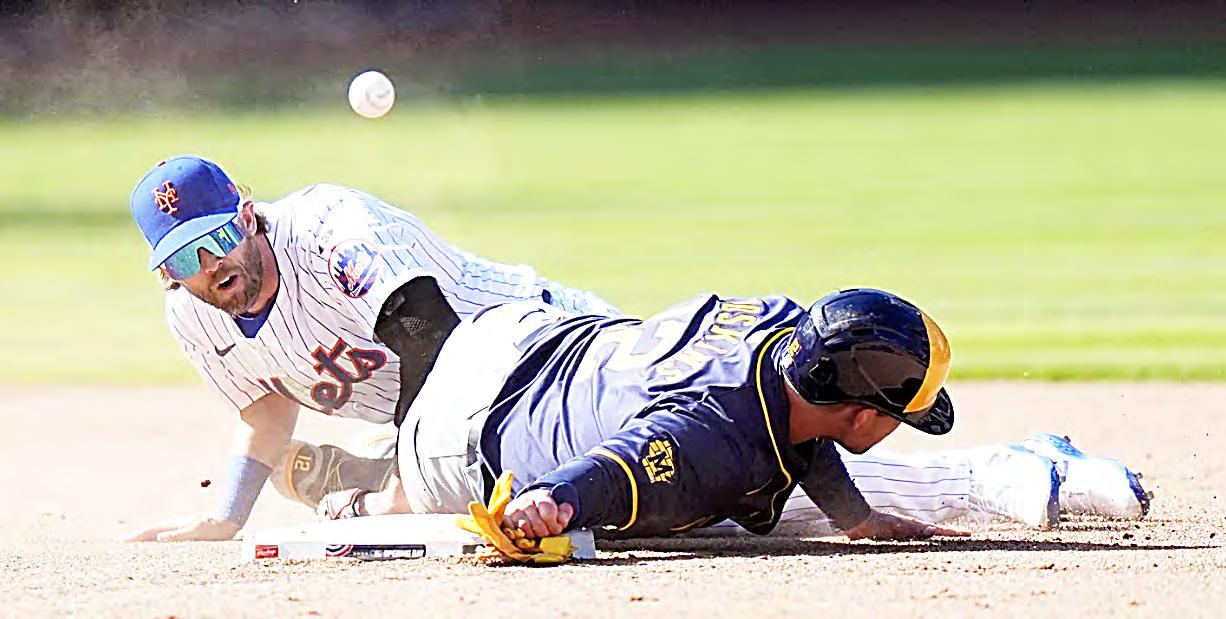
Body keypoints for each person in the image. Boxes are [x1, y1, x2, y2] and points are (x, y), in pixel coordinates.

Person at [354, 288, 1150, 542]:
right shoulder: (716, 444)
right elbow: (625, 465)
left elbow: (800, 422)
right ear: (860, 415)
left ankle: (362, 476)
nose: (896, 422)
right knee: (696, 514)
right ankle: (374, 490)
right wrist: (551, 501)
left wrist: (855, 516)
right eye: (894, 413)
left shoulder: (784, 326)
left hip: (519, 330)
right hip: (454, 438)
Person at [124, 155, 615, 542]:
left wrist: (406, 487)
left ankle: (387, 470)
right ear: (167, 272)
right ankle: (395, 463)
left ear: (247, 219)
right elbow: (266, 406)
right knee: (509, 496)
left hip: (553, 352)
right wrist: (228, 516)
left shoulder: (327, 230)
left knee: (590, 495)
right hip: (472, 416)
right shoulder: (194, 314)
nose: (210, 264)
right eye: (185, 258)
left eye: (218, 237)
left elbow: (426, 332)